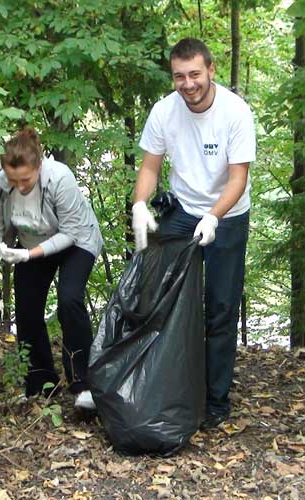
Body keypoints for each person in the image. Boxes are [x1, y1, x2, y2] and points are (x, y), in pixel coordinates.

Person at [132, 38, 256, 428]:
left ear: (211, 70)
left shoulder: (235, 112)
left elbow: (238, 177)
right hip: (182, 212)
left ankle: (215, 402)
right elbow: (151, 167)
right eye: (179, 76)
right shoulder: (164, 112)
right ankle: (170, 389)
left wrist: (215, 217)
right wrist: (139, 204)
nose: (187, 84)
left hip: (228, 214)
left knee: (220, 308)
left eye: (195, 74)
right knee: (164, 300)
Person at [0, 128, 103, 410]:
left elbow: (71, 232)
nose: (20, 186)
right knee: (27, 308)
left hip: (76, 240)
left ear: (38, 166)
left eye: (25, 179)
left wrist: (28, 254)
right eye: (13, 180)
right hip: (31, 243)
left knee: (69, 299)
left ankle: (83, 384)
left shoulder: (59, 177)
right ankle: (41, 383)